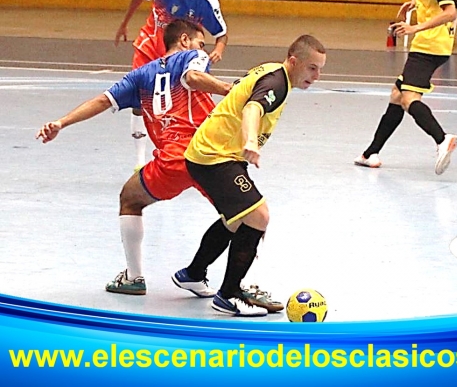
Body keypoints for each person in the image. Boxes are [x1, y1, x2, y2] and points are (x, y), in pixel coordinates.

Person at [36, 20, 280, 311]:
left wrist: (61, 123)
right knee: (250, 214)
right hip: (208, 155)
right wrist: (230, 89)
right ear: (186, 39)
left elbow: (102, 101)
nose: (204, 50)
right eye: (201, 43)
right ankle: (241, 285)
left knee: (130, 198)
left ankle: (141, 277)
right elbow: (192, 77)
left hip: (171, 162)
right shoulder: (192, 56)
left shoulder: (140, 76)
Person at [175, 34, 326, 317]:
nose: (316, 76)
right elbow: (253, 108)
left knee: (236, 220)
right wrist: (251, 141)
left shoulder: (273, 70)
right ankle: (228, 294)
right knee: (259, 216)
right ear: (294, 62)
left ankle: (193, 274)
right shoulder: (277, 83)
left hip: (215, 151)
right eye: (312, 68)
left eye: (320, 69)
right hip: (215, 156)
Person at [354, 0, 457, 175]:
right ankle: (371, 153)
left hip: (429, 45)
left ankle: (442, 139)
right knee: (396, 95)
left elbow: (450, 11)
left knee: (409, 98)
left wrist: (414, 27)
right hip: (436, 43)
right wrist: (416, 3)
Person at [115, 0, 229, 169]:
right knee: (141, 102)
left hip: (178, 58)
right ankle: (140, 161)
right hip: (149, 49)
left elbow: (222, 33)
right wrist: (124, 23)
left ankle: (188, 152)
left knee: (176, 105)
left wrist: (218, 50)